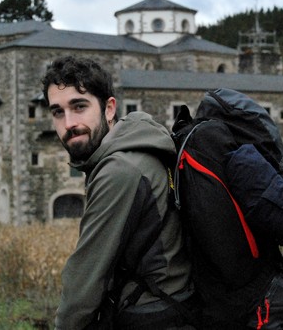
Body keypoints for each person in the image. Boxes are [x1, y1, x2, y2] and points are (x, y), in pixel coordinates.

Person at [42, 56, 194, 329]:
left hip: (153, 316)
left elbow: (83, 283)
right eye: (58, 112)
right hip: (173, 306)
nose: (69, 123)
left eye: (79, 106)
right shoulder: (136, 147)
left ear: (109, 108)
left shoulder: (120, 171)